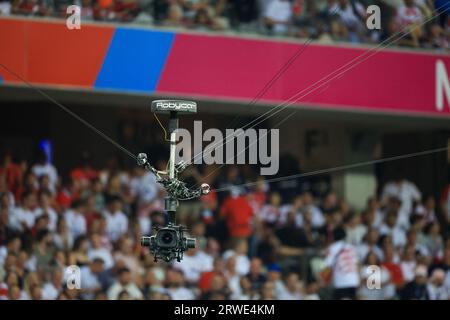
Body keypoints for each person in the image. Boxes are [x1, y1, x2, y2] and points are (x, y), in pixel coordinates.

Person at [323, 227, 360, 300]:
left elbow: (327, 266)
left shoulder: (332, 248)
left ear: (333, 236)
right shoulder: (351, 247)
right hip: (354, 281)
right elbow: (357, 265)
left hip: (341, 282)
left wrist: (323, 279)